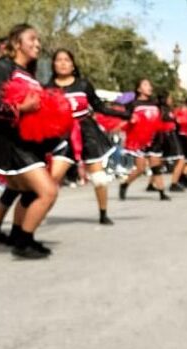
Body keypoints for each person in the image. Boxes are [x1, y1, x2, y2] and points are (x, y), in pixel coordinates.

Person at [0, 23, 63, 259]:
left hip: (29, 143)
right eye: (32, 39)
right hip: (11, 143)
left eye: (38, 40)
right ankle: (23, 243)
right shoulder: (3, 67)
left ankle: (20, 235)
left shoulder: (28, 72)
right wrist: (21, 108)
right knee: (48, 192)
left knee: (30, 192)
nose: (38, 44)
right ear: (17, 43)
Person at [46, 48, 129, 224]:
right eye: (59, 60)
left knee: (99, 179)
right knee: (51, 180)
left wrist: (125, 114)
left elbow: (99, 107)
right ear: (53, 64)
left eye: (67, 60)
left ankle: (103, 214)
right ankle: (37, 215)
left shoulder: (83, 85)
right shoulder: (47, 88)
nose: (63, 63)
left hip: (87, 133)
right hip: (62, 135)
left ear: (73, 64)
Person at [118, 79, 169, 201]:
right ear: (139, 89)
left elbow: (160, 119)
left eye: (150, 84)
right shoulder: (133, 104)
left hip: (154, 138)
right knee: (140, 169)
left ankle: (162, 192)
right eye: (146, 85)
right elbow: (125, 119)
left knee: (155, 166)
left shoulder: (155, 103)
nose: (149, 87)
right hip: (139, 140)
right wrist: (131, 120)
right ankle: (124, 184)